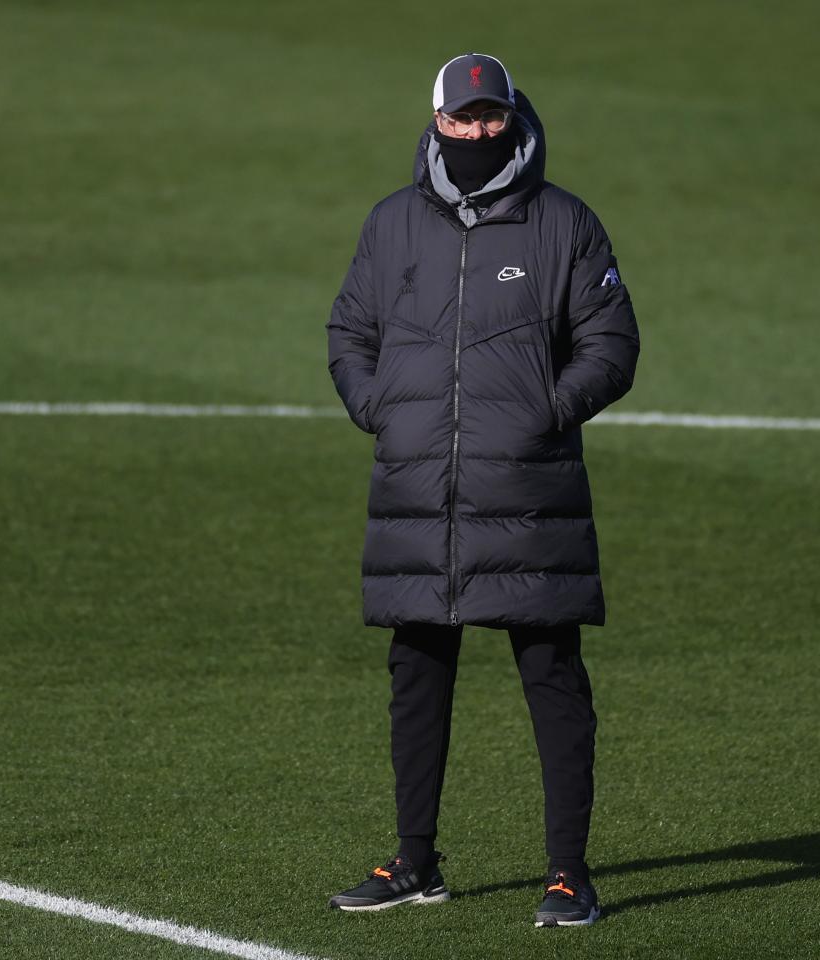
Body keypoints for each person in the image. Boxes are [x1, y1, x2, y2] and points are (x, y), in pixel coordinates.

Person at [323, 53, 639, 928]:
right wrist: (378, 408)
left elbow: (612, 346)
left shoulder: (564, 223)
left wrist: (546, 411)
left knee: (551, 673)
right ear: (435, 120)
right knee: (417, 673)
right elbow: (349, 329)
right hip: (417, 486)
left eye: (489, 117)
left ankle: (570, 874)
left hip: (529, 491)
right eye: (460, 120)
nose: (474, 131)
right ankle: (415, 862)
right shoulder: (392, 225)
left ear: (512, 117)